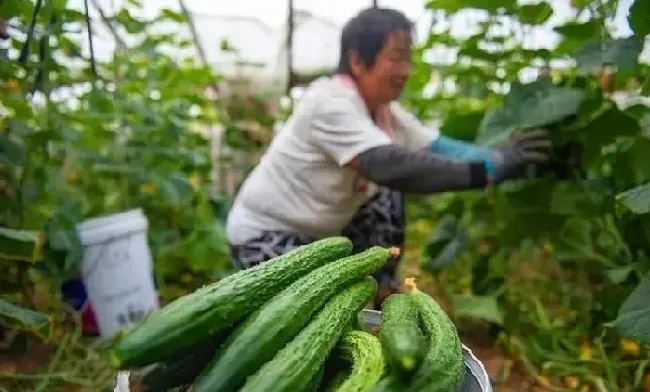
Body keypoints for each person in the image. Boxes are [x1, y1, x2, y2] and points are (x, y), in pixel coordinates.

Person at [225, 7, 551, 307]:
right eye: (396, 58)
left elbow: (440, 148)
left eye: (409, 58)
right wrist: (488, 171)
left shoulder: (385, 113)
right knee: (314, 313)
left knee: (387, 196)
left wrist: (504, 159)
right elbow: (387, 164)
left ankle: (383, 288)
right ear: (357, 61)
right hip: (266, 234)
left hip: (319, 236)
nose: (406, 71)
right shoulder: (329, 102)